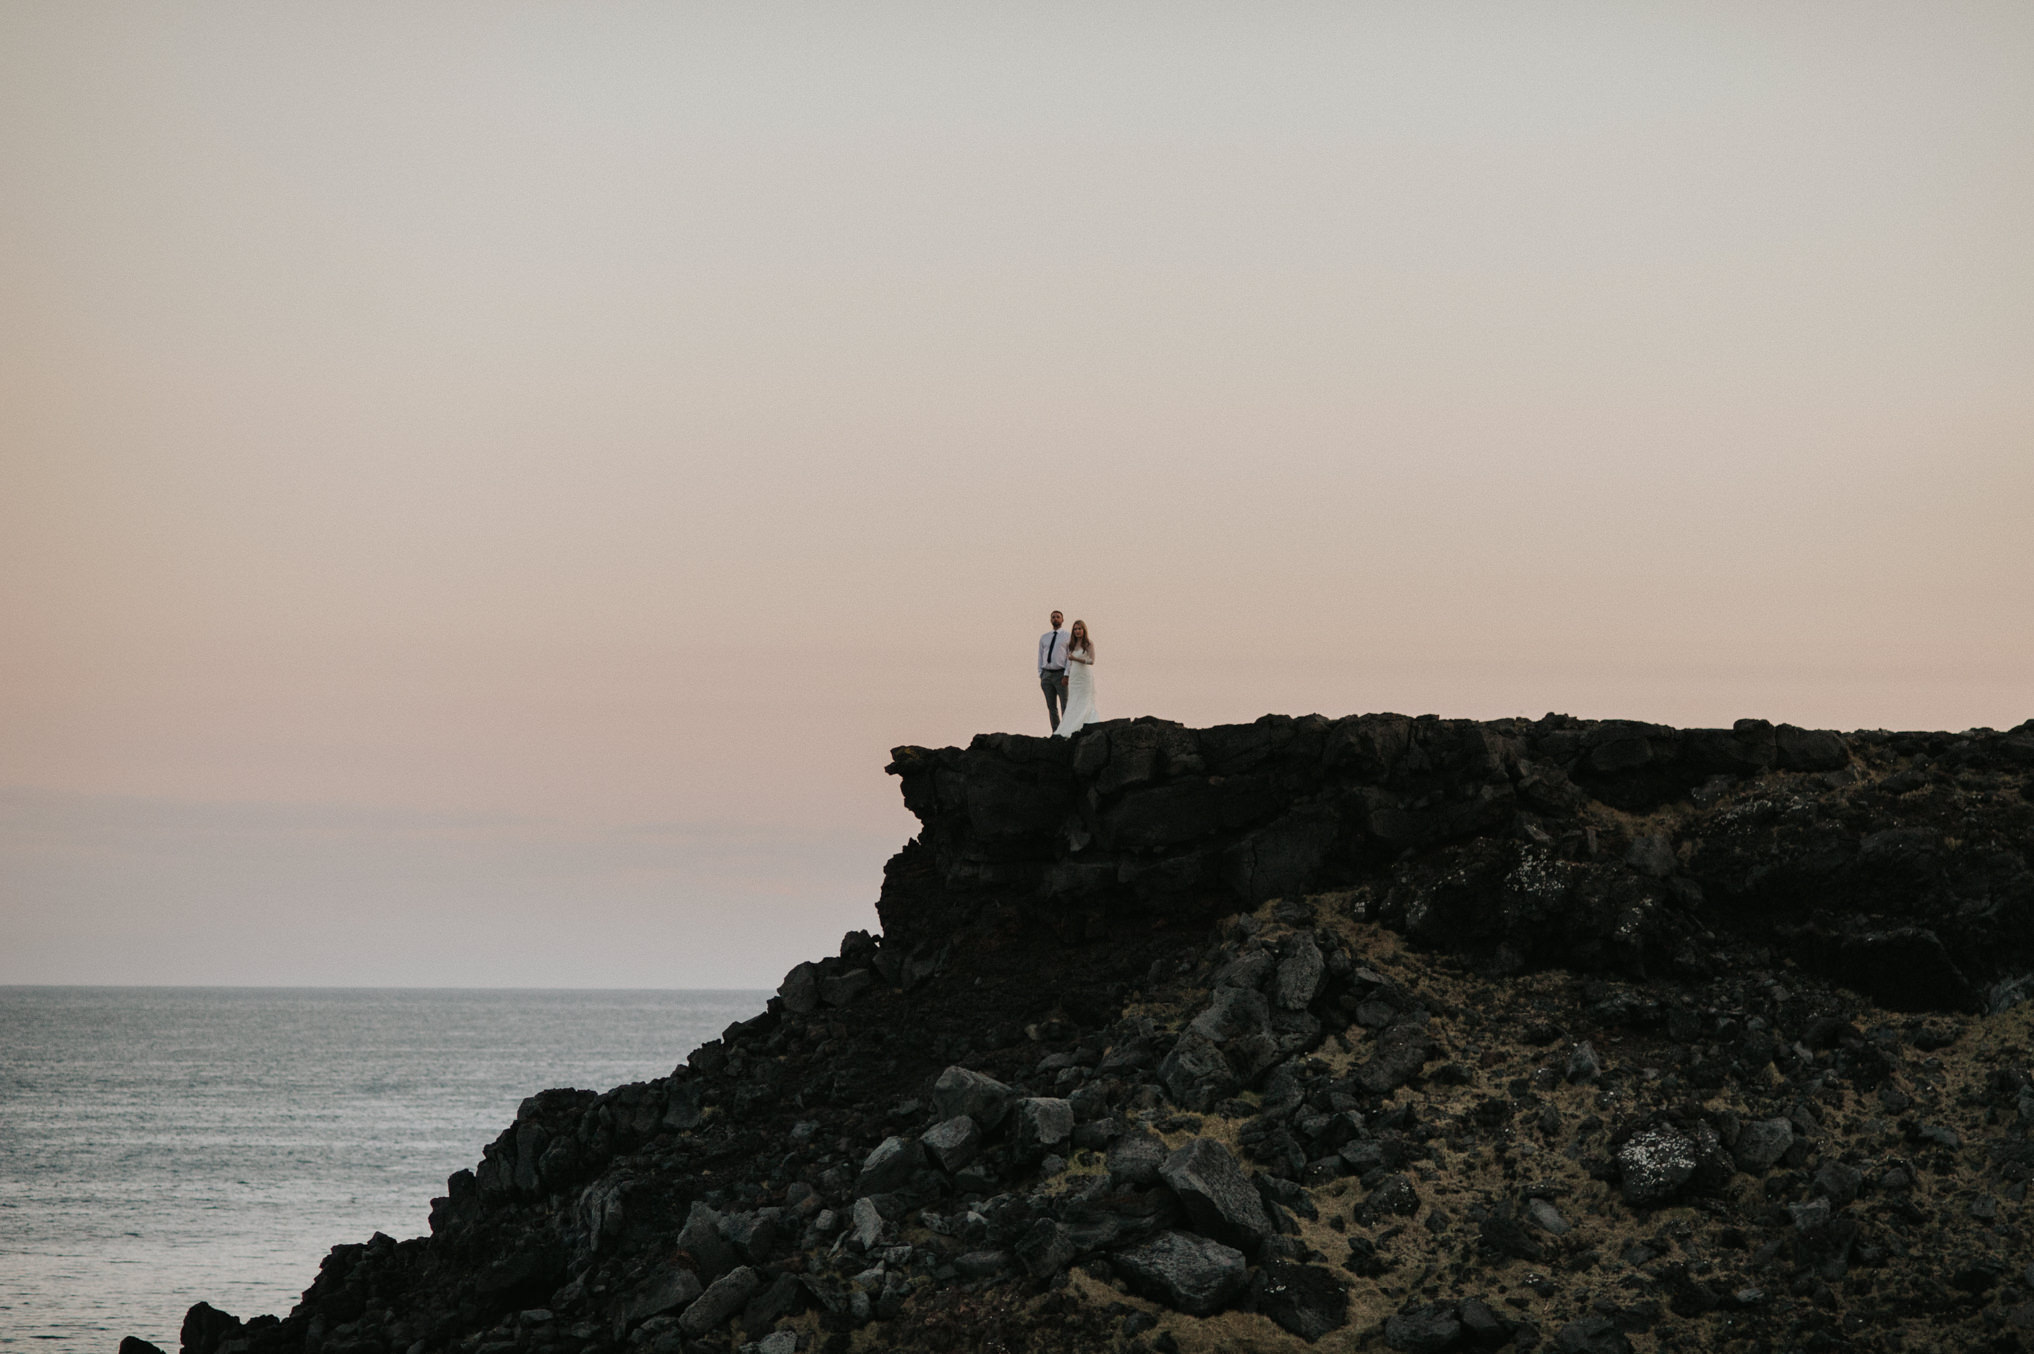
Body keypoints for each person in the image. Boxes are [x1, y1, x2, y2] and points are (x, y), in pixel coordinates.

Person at [1054, 620, 1099, 738]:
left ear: (1084, 630)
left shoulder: (1089, 643)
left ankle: (1084, 723)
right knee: (1073, 700)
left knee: (1084, 700)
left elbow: (1091, 661)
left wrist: (1076, 659)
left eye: (1079, 629)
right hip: (1074, 675)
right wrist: (1067, 674)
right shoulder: (1072, 644)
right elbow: (1069, 662)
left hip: (1084, 675)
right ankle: (1069, 726)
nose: (1077, 631)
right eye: (1075, 629)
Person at [1037, 611, 1069, 731]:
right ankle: (1056, 731)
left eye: (1058, 617)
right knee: (1051, 706)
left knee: (1065, 704)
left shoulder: (1067, 636)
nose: (1055, 619)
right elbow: (1040, 655)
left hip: (1060, 673)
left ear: (1062, 619)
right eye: (1053, 617)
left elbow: (1069, 656)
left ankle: (1066, 729)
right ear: (1050, 620)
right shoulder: (1044, 637)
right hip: (1047, 674)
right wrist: (1041, 673)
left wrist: (1066, 674)